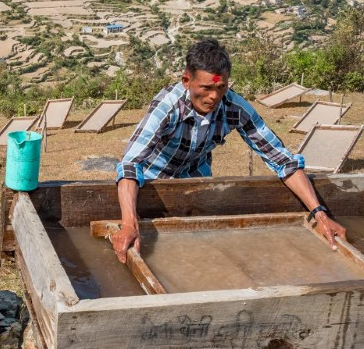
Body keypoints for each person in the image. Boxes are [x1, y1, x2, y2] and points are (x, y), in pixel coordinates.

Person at [113, 38, 346, 262]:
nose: (213, 96)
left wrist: (320, 214)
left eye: (221, 87)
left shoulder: (234, 107)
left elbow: (282, 160)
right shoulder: (167, 106)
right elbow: (131, 163)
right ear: (186, 80)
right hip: (153, 186)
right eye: (205, 87)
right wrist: (129, 223)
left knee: (195, 256)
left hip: (196, 187)